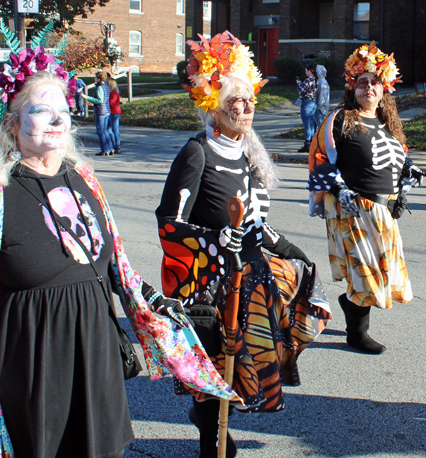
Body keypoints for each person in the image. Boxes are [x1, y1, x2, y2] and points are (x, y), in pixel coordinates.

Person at [0, 38, 238, 458]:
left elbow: (114, 262)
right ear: (11, 123)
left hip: (95, 352)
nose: (57, 119)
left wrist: (149, 297)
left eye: (62, 109)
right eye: (41, 110)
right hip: (32, 361)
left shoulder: (84, 178)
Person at [156, 31, 331, 458]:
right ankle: (210, 434)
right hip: (211, 278)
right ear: (214, 104)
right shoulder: (198, 152)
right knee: (218, 362)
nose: (246, 108)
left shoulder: (249, 153)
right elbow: (168, 223)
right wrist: (215, 239)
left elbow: (258, 225)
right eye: (236, 100)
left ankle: (217, 422)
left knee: (248, 359)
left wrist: (292, 251)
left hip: (252, 273)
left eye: (250, 99)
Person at [307, 42, 424, 354]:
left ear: (383, 89)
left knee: (381, 273)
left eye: (374, 82)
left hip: (382, 212)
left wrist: (404, 188)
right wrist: (340, 191)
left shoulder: (390, 127)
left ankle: (350, 305)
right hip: (351, 210)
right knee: (365, 274)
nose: (368, 87)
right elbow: (319, 157)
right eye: (362, 82)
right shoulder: (341, 118)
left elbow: (400, 163)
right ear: (352, 87)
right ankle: (357, 334)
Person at [81, 71, 115, 156]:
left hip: (101, 111)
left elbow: (100, 100)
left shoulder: (100, 87)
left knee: (101, 131)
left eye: (95, 77)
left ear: (99, 78)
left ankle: (104, 150)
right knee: (106, 131)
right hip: (107, 110)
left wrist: (87, 97)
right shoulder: (106, 86)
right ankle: (110, 148)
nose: (94, 78)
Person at [296, 62, 317, 152]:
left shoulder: (308, 80)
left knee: (307, 125)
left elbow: (302, 91)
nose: (305, 72)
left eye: (306, 70)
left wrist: (298, 83)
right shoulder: (316, 79)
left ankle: (307, 144)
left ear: (309, 70)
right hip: (314, 101)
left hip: (307, 102)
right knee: (312, 124)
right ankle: (312, 143)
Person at [107, 76, 122, 154]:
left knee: (115, 130)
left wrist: (105, 103)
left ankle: (117, 145)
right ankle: (113, 144)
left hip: (115, 112)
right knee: (108, 129)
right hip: (111, 112)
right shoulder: (111, 92)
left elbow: (112, 103)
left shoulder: (114, 93)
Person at [314, 64, 330, 129]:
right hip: (320, 108)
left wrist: (319, 106)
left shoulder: (322, 82)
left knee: (320, 128)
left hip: (320, 110)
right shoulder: (320, 81)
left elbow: (322, 96)